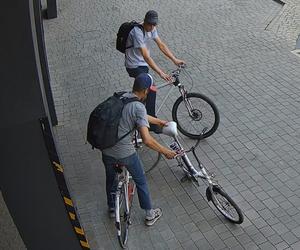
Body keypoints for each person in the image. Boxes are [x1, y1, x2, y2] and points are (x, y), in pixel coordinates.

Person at [102, 73, 177, 226]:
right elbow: (147, 140)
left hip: (106, 149)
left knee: (111, 178)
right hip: (125, 152)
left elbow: (142, 116)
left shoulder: (122, 96)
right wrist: (166, 152)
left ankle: (111, 207)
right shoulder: (138, 106)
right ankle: (150, 214)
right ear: (145, 91)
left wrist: (159, 121)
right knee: (141, 180)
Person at [124, 10, 185, 132]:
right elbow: (146, 56)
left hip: (142, 64)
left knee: (146, 91)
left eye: (154, 25)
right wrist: (161, 73)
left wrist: (174, 59)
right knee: (151, 87)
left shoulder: (152, 29)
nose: (151, 27)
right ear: (145, 21)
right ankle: (150, 122)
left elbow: (161, 45)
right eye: (149, 24)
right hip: (134, 65)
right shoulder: (137, 32)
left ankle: (141, 112)